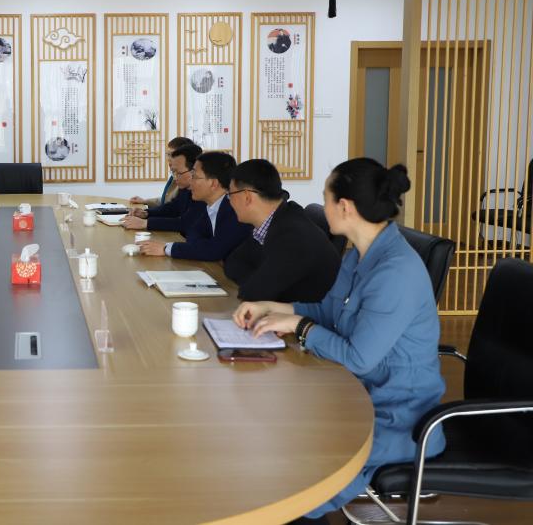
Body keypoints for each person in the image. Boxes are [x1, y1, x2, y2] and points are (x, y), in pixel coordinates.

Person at [233, 159, 445, 521]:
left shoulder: (396, 272)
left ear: (344, 206)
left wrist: (299, 326)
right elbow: (329, 312)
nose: (323, 207)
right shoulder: (358, 254)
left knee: (288, 484)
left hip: (396, 417)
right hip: (352, 394)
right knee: (269, 438)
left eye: (326, 199)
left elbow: (359, 358)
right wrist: (272, 307)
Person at [224, 159, 340, 303]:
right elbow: (233, 263)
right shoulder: (270, 223)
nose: (229, 201)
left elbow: (254, 293)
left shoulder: (293, 235)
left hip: (305, 315)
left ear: (247, 197)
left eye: (230, 194)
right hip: (280, 309)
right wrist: (258, 279)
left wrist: (258, 281)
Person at [138, 151, 251, 260]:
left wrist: (166, 248)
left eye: (195, 177)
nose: (190, 182)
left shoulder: (234, 210)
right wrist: (202, 247)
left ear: (213, 183)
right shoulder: (212, 206)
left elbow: (214, 250)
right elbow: (193, 233)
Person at [122, 142, 204, 233]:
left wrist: (146, 223)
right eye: (173, 172)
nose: (175, 177)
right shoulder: (185, 189)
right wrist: (146, 213)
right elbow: (172, 208)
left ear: (194, 171)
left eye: (178, 173)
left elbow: (186, 223)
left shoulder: (204, 194)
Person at [128, 136, 196, 208]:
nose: (169, 159)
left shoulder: (186, 179)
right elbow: (167, 200)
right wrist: (145, 201)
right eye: (168, 155)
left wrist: (147, 214)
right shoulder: (175, 174)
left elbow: (175, 208)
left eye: (172, 155)